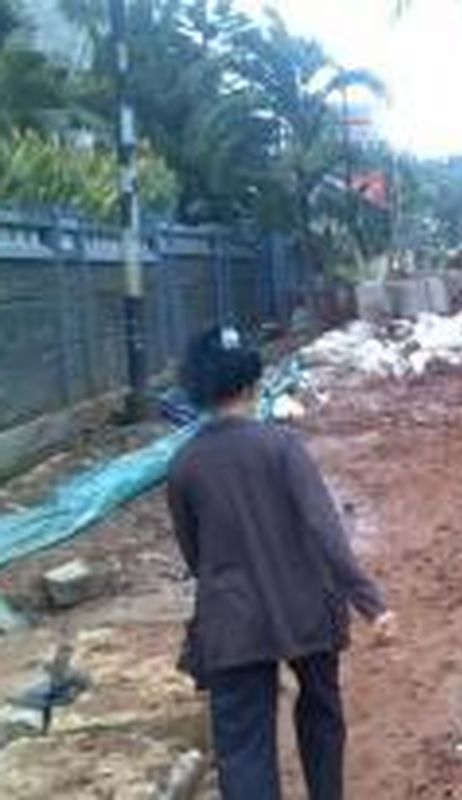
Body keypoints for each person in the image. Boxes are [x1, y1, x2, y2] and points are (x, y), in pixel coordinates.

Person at [167, 326, 393, 800]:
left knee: (243, 744)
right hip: (306, 608)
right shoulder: (283, 447)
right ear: (253, 384)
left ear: (199, 391)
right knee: (321, 712)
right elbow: (325, 531)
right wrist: (371, 603)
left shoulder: (185, 464)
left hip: (233, 622)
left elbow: (194, 555)